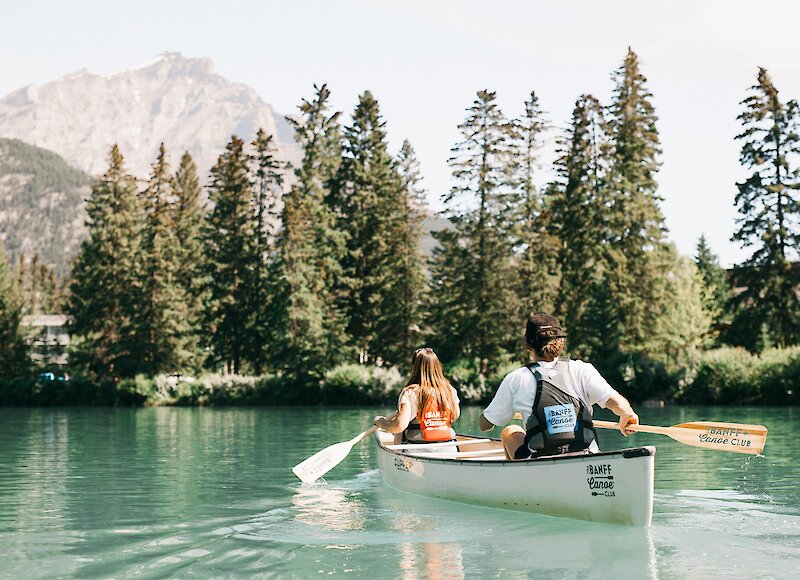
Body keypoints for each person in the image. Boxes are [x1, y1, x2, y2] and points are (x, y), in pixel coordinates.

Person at [479, 313, 639, 460]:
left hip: (541, 461)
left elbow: (485, 425)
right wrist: (627, 413)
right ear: (560, 342)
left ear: (528, 345)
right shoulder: (582, 369)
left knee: (510, 431)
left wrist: (487, 417)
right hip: (586, 457)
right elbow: (618, 404)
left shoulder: (516, 379)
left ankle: (521, 486)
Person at [374, 347, 460, 443]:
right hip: (449, 448)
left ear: (414, 367)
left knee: (401, 429)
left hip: (418, 449)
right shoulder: (450, 390)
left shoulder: (410, 393)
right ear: (437, 366)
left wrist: (382, 423)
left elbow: (399, 426)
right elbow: (455, 416)